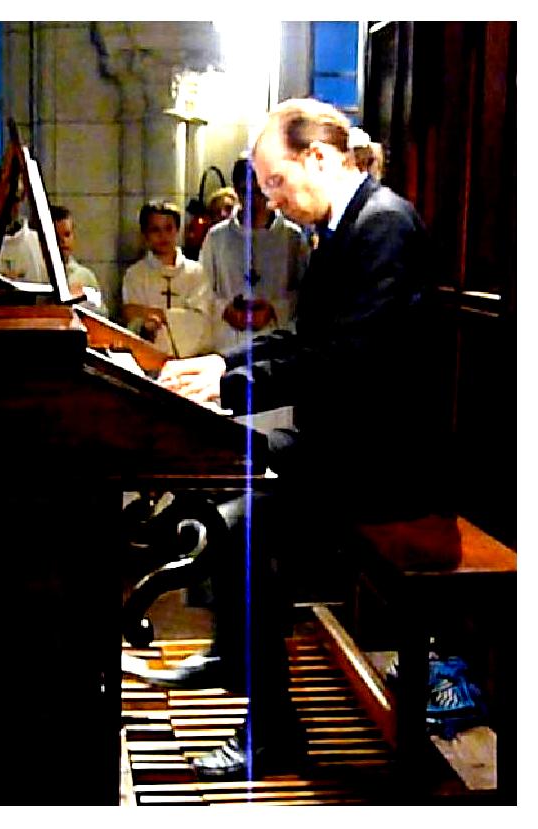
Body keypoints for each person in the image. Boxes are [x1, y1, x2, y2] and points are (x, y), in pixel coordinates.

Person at [143, 98, 448, 777]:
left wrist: (226, 391)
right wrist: (220, 363)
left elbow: (343, 363)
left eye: (277, 180)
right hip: (346, 445)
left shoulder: (384, 227)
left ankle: (271, 729)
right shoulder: (345, 227)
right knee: (221, 472)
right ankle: (236, 650)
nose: (273, 198)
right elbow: (303, 338)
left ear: (318, 157)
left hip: (385, 463)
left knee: (240, 523)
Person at [200, 156, 310, 354]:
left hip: (276, 343)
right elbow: (201, 289)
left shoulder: (292, 238)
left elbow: (306, 294)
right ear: (235, 190)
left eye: (260, 191)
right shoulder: (217, 237)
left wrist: (274, 310)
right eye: (245, 191)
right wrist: (226, 309)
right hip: (228, 341)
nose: (253, 200)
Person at [121, 200, 216, 358]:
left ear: (178, 230)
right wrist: (146, 326)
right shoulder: (135, 275)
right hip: (149, 359)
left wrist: (162, 315)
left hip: (190, 358)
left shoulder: (196, 273)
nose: (163, 236)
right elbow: (131, 317)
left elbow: (201, 321)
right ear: (145, 234)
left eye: (168, 228)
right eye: (155, 230)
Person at [49, 204, 106, 314]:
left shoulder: (86, 277)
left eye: (67, 234)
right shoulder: (37, 276)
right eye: (56, 237)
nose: (63, 241)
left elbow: (102, 314)